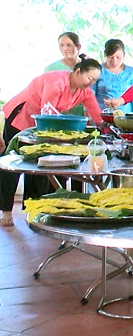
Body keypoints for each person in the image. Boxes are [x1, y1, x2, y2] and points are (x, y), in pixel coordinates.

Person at [0, 55, 103, 226]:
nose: (90, 82)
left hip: (44, 127)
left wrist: (107, 126)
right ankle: (6, 211)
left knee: (39, 167)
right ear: (78, 72)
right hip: (21, 117)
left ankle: (32, 209)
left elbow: (97, 115)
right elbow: (47, 110)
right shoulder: (57, 81)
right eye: (89, 78)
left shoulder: (84, 91)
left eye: (94, 80)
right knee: (13, 164)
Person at [93, 39, 133, 114]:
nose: (114, 61)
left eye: (118, 57)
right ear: (105, 55)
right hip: (102, 115)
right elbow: (90, 95)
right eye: (111, 57)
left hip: (126, 116)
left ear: (124, 54)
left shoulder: (131, 72)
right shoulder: (97, 71)